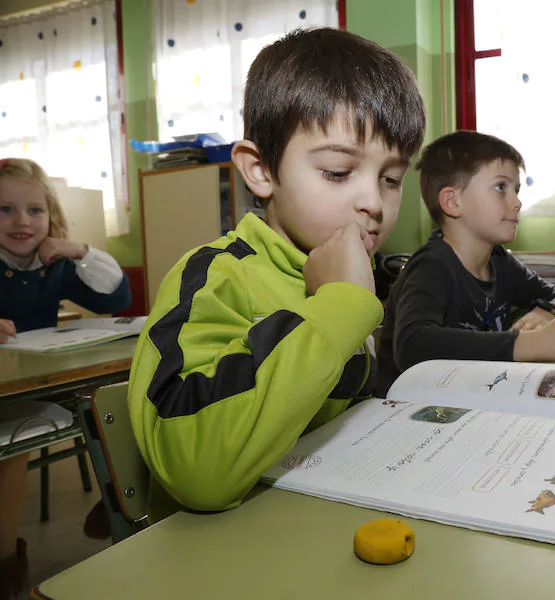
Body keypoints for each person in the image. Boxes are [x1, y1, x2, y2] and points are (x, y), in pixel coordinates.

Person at [127, 27, 426, 517]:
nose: (374, 202)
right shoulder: (215, 278)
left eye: (391, 178)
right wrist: (340, 305)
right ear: (261, 170)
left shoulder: (355, 270)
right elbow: (196, 473)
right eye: (336, 172)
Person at [376, 131, 555, 396]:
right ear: (453, 201)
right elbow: (413, 346)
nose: (517, 202)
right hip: (404, 409)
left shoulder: (500, 261)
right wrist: (529, 344)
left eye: (516, 190)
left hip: (469, 395)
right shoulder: (431, 267)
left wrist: (547, 310)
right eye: (500, 188)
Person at [0, 157, 131, 599]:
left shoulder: (51, 265)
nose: (22, 222)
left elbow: (117, 297)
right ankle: (6, 567)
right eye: (5, 210)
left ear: (50, 216)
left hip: (43, 382)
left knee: (120, 393)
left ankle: (120, 492)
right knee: (13, 444)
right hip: (7, 396)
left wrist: (79, 252)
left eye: (34, 211)